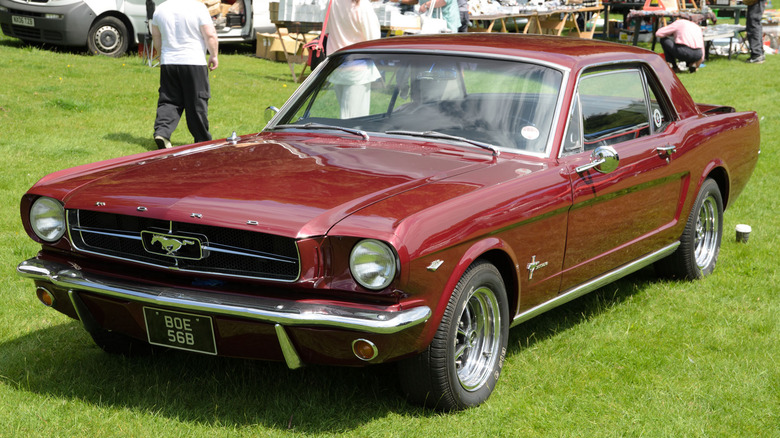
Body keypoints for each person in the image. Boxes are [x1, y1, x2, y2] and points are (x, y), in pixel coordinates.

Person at [151, 0, 219, 149]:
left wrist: (162, 56)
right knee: (197, 100)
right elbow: (210, 34)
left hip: (169, 61)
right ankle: (202, 139)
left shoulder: (160, 9)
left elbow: (156, 37)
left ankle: (162, 132)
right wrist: (214, 55)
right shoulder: (198, 7)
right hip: (193, 61)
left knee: (168, 99)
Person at [326, 0, 381, 118]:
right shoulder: (361, 4)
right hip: (358, 68)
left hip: (336, 64)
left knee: (347, 115)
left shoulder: (332, 2)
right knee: (355, 119)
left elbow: (326, 29)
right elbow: (374, 38)